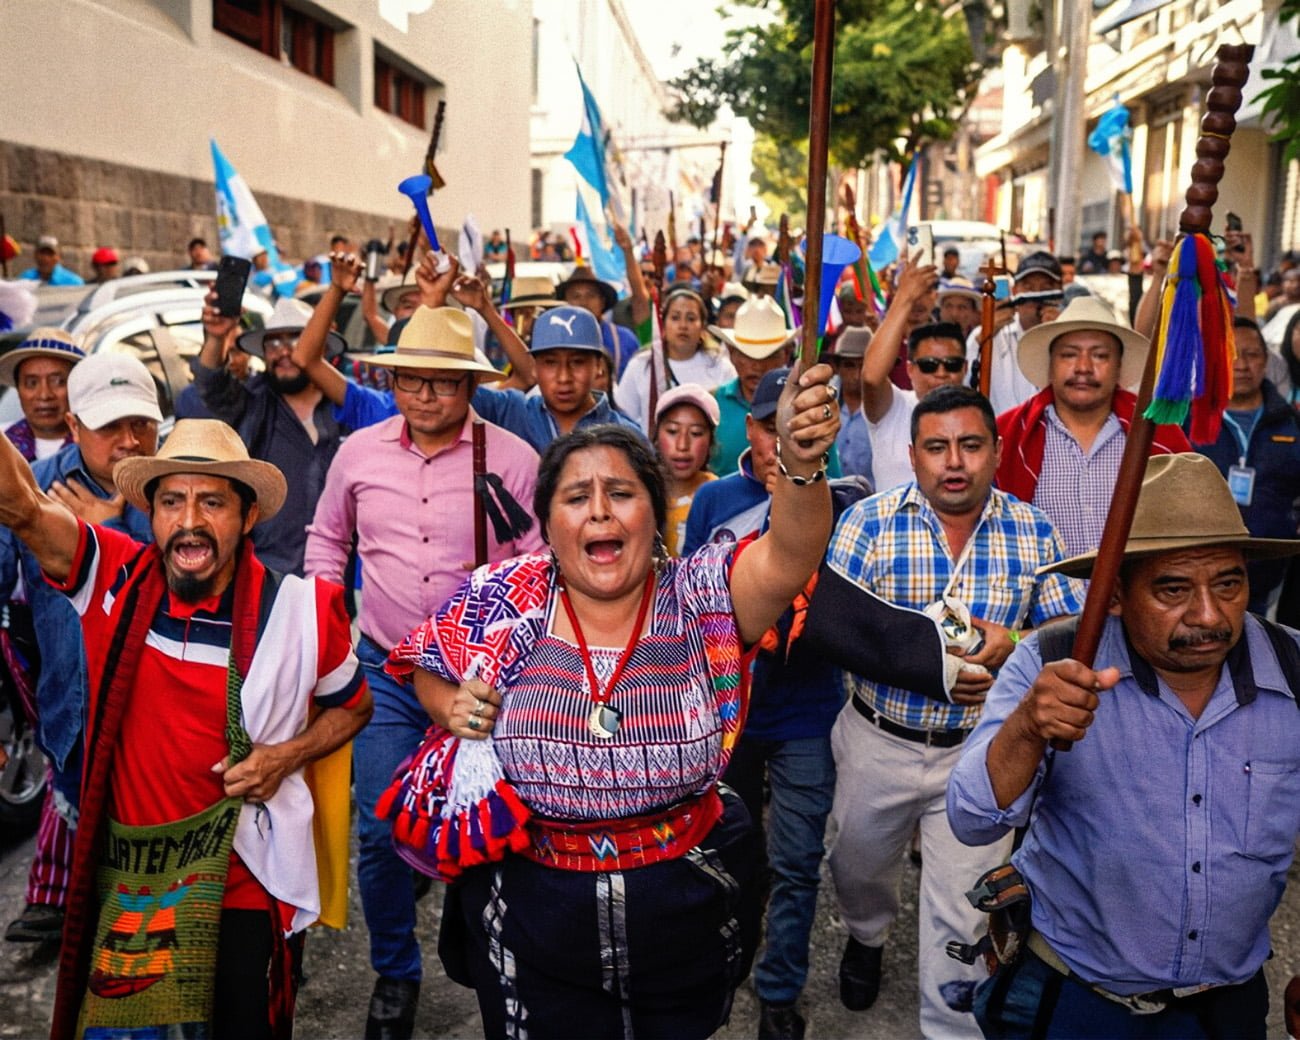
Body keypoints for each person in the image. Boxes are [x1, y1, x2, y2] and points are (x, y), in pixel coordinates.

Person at [388, 358, 842, 1037]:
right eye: (576, 497)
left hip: (681, 914)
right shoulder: (503, 598)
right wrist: (447, 705)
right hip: (530, 918)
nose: (599, 508)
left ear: (655, 515)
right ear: (548, 523)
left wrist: (802, 467)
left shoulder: (702, 596)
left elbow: (791, 553)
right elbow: (423, 660)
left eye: (621, 493)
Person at [0, 418, 372, 1039]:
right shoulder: (113, 575)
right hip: (132, 884)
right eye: (172, 501)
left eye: (213, 502)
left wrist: (286, 755)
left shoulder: (299, 612)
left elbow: (353, 705)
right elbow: (21, 507)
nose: (190, 520)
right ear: (151, 516)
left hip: (243, 880)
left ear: (248, 518)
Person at [947, 452, 1300, 1038]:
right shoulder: (1053, 663)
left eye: (1229, 583)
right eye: (1173, 588)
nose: (1209, 614)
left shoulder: (1292, 670)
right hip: (1076, 998)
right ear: (1112, 596)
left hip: (1227, 1007)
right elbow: (972, 819)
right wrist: (1029, 727)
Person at [305, 296, 543, 1039]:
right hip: (383, 670)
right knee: (378, 832)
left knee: (491, 831)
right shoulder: (359, 452)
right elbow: (324, 542)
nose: (425, 395)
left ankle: (492, 961)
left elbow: (537, 572)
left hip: (485, 681)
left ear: (471, 387)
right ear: (395, 380)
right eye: (411, 379)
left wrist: (502, 669)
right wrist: (323, 628)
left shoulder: (513, 460)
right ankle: (395, 973)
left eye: (442, 382)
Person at [823, 386, 1082, 1038]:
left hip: (982, 750)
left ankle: (953, 1027)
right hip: (877, 738)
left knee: (965, 914)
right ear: (913, 456)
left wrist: (1014, 646)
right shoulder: (866, 524)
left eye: (970, 445)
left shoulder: (1034, 530)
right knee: (855, 866)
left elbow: (1067, 638)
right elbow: (835, 628)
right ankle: (866, 933)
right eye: (937, 447)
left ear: (995, 452)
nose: (954, 462)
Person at [684, 369, 870, 1040]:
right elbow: (689, 596)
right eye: (768, 425)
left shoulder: (844, 503)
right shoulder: (714, 502)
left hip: (807, 712)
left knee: (796, 859)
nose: (778, 437)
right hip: (727, 715)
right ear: (753, 430)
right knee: (729, 850)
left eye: (792, 423)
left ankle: (780, 987)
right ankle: (730, 950)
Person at [0, 354, 161, 946]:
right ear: (73, 426)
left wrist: (115, 529)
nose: (127, 442)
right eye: (109, 426)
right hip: (73, 708)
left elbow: (189, 598)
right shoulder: (35, 493)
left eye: (140, 424)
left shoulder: (178, 490)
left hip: (160, 724)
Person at [996, 295, 1191, 557]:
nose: (1084, 368)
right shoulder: (1008, 435)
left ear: (1119, 367)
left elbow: (1187, 524)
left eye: (1099, 356)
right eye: (1069, 355)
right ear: (1051, 365)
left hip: (1134, 595)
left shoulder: (1158, 435)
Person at [194, 293, 348, 575]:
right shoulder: (252, 404)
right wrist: (216, 338)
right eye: (274, 342)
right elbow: (211, 383)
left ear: (321, 348)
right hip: (267, 580)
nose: (283, 351)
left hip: (343, 584)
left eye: (295, 340)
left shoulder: (349, 407)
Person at [1192, 317, 1300, 612]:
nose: (1242, 365)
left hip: (1272, 577)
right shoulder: (1188, 420)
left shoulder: (1291, 422)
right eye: (1232, 354)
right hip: (1198, 574)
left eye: (1252, 354)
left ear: (1266, 361)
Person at [861, 260, 969, 492]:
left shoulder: (977, 417)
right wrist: (904, 297)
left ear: (965, 369)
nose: (941, 374)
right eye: (929, 365)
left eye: (951, 364)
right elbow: (871, 377)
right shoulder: (893, 409)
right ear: (910, 370)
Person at [618, 287, 736, 432]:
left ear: (702, 327)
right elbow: (623, 419)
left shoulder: (720, 366)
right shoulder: (641, 365)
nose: (683, 326)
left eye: (691, 318)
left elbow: (731, 417)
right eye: (675, 318)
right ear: (664, 325)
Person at [965, 251, 1064, 416]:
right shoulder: (990, 336)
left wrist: (1059, 337)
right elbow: (966, 382)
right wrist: (985, 335)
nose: (1035, 296)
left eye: (1046, 288)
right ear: (1015, 290)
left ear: (1059, 291)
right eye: (1029, 287)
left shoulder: (1070, 338)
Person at [709, 296, 796, 475]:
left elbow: (830, 479)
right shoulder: (712, 405)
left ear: (786, 355)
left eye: (769, 356)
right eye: (747, 355)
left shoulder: (803, 408)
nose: (757, 366)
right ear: (732, 354)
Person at [653, 383, 720, 557]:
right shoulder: (642, 491)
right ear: (656, 436)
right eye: (672, 431)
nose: (682, 445)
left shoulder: (719, 497)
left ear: (711, 441)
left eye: (696, 433)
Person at [0, 328, 85, 462]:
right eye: (32, 383)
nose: (44, 395)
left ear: (78, 386)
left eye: (58, 381)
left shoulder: (103, 447)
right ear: (18, 390)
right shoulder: (4, 447)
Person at [554, 261, 644, 378]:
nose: (583, 302)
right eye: (576, 296)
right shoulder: (554, 340)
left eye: (591, 295)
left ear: (602, 302)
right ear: (565, 303)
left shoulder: (624, 339)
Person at [823, 326, 875, 481]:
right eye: (850, 365)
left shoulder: (888, 409)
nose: (857, 375)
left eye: (864, 365)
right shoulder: (822, 402)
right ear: (837, 367)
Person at [18, 236, 84, 286]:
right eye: (42, 253)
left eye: (50, 254)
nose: (45, 258)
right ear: (35, 255)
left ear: (59, 257)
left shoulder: (74, 283)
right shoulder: (25, 279)